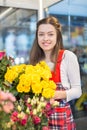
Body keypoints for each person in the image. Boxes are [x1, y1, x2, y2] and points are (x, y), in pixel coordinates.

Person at [29, 16, 82, 130]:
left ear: (58, 36)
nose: (45, 38)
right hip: (39, 118)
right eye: (41, 34)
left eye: (50, 34)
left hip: (60, 119)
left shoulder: (67, 56)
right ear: (37, 37)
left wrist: (53, 94)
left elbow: (78, 91)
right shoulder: (35, 60)